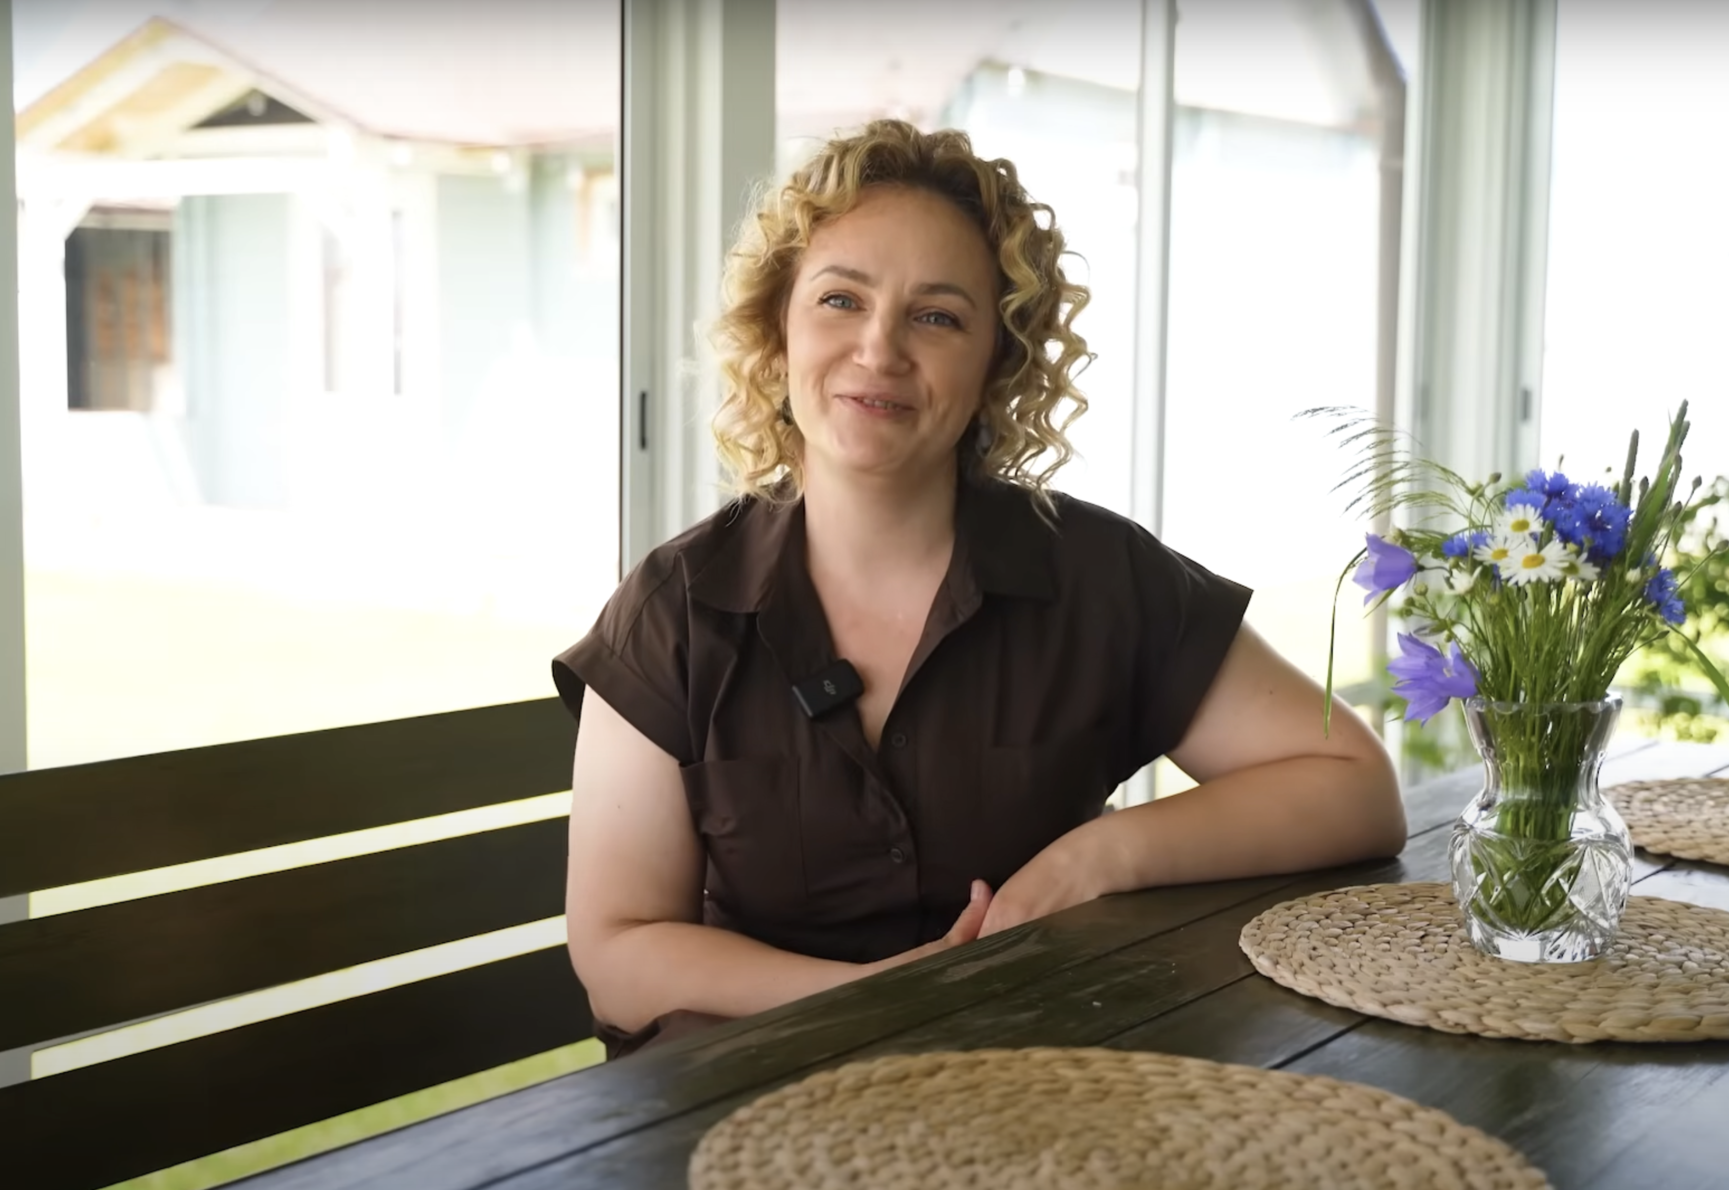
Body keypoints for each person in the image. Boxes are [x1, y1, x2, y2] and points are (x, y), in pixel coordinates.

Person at [553, 120, 1404, 1058]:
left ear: (999, 362)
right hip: (746, 1089)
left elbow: (1354, 787)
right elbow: (618, 952)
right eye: (840, 299)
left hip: (1031, 1084)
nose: (879, 349)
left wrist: (1101, 854)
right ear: (776, 329)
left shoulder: (1096, 575)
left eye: (937, 316)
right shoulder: (674, 609)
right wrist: (880, 1001)